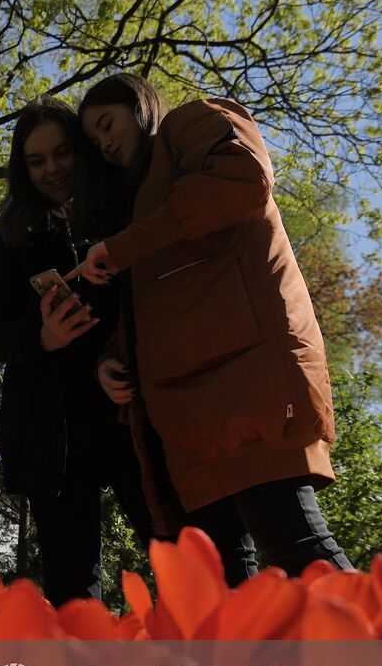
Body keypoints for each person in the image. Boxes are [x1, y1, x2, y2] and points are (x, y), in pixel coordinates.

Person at [67, 72, 354, 587]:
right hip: (190, 420)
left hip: (248, 392)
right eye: (93, 139)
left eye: (106, 124)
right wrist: (110, 358)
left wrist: (125, 246)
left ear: (140, 107)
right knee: (226, 589)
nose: (104, 142)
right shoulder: (141, 206)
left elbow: (244, 179)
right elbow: (161, 300)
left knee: (299, 549)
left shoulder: (191, 123)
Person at [0, 95, 153, 607]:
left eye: (61, 153)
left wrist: (116, 359)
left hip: (126, 414)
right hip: (51, 431)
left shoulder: (122, 210)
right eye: (36, 160)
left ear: (81, 150)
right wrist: (42, 337)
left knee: (171, 547)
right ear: (21, 167)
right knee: (73, 582)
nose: (51, 169)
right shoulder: (13, 237)